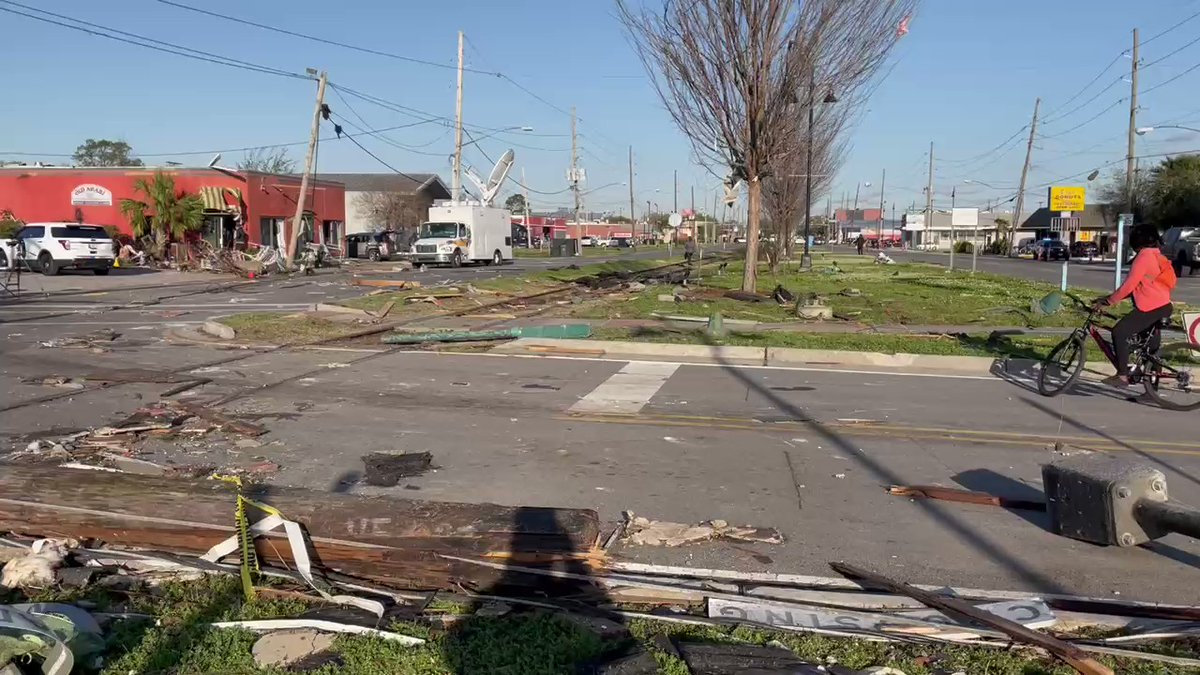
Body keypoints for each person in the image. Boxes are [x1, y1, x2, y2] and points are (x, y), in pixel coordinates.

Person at [1095, 225, 1176, 388]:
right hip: (1163, 306)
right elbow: (1138, 287)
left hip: (1150, 308)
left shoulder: (1143, 256)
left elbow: (1129, 285)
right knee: (1151, 350)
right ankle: (1151, 391)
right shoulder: (1156, 255)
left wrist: (1109, 301)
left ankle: (1122, 375)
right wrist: (1109, 299)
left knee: (1120, 332)